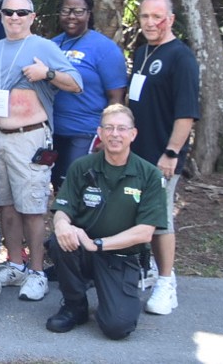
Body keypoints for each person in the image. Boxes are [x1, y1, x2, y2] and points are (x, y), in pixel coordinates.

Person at [0, 0, 82, 302]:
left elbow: (76, 83)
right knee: (5, 206)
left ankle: (36, 271)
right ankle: (15, 264)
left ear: (32, 17)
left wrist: (46, 73)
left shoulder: (44, 47)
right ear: (2, 15)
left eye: (22, 12)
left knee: (32, 207)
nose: (14, 17)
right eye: (8, 12)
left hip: (30, 138)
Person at [46, 104, 167, 340]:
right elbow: (62, 209)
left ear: (133, 134)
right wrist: (61, 225)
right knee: (59, 241)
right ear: (100, 133)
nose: (115, 134)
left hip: (121, 257)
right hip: (83, 251)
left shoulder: (149, 174)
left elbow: (144, 233)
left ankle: (110, 298)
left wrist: (98, 244)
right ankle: (74, 305)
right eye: (109, 128)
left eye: (122, 128)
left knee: (117, 327)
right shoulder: (82, 166)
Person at [128, 0, 199, 316]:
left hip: (163, 155)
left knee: (160, 220)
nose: (150, 22)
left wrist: (171, 152)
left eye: (157, 17)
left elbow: (186, 113)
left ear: (170, 19)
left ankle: (167, 285)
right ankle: (153, 269)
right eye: (145, 17)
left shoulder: (181, 57)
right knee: (142, 215)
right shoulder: (143, 52)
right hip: (138, 153)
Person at [50, 0, 126, 190]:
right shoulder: (51, 45)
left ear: (89, 14)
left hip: (85, 132)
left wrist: (107, 134)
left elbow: (116, 97)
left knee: (79, 189)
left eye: (78, 11)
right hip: (53, 132)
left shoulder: (104, 48)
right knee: (59, 189)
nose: (71, 17)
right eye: (66, 11)